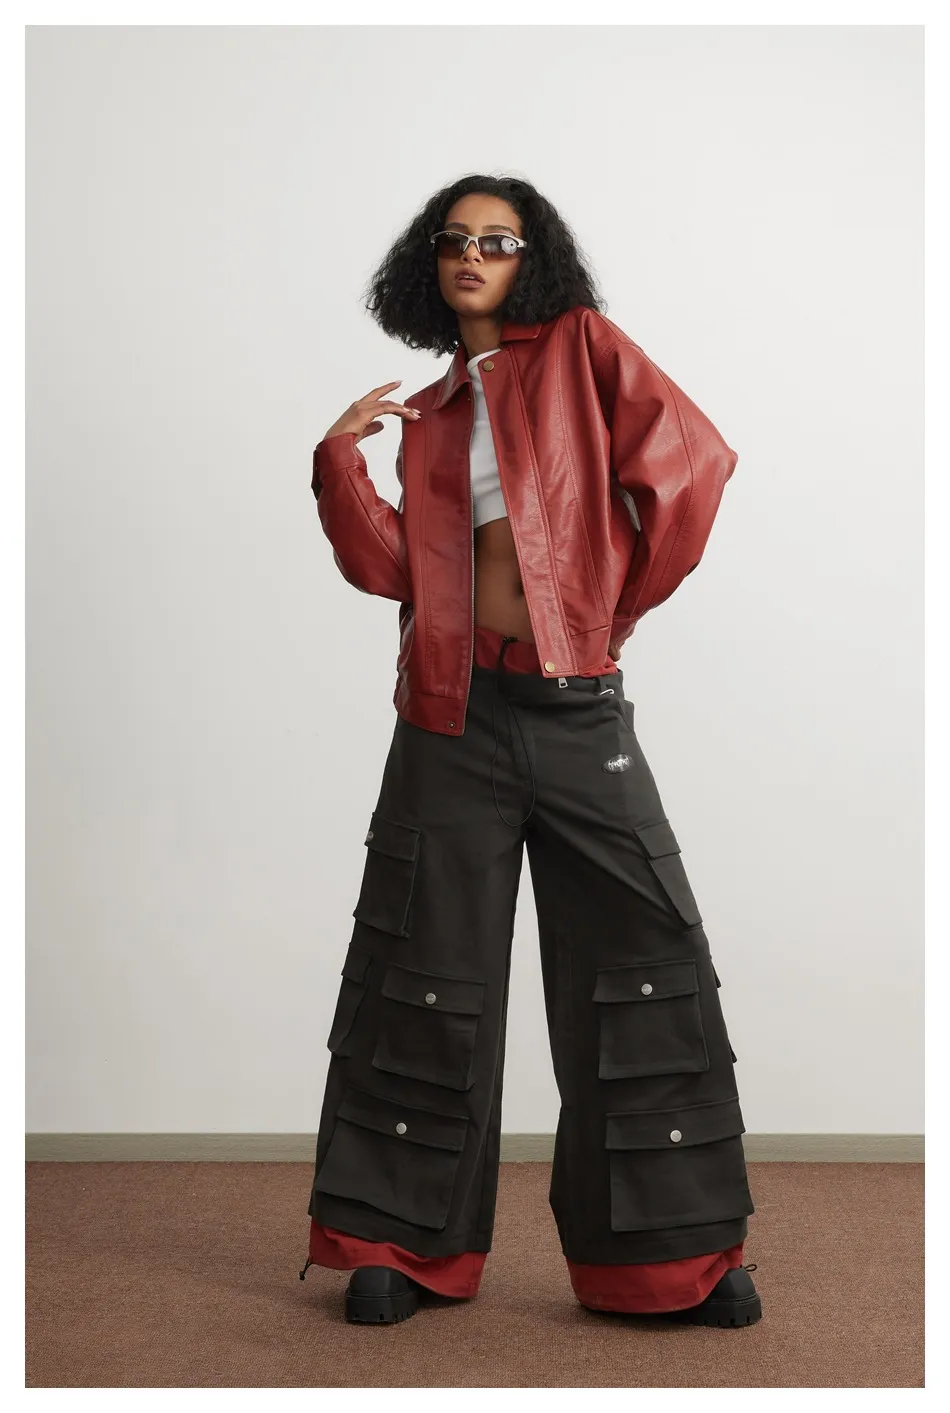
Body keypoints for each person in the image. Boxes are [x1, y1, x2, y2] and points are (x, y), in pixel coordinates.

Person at [298, 174, 761, 1329]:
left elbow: (693, 466)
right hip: (447, 718)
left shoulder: (581, 349)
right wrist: (338, 460)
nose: (473, 255)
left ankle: (666, 1261)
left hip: (574, 710)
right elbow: (392, 572)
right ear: (427, 263)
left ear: (530, 257)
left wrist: (608, 612)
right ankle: (396, 1248)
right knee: (423, 970)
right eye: (453, 240)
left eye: (497, 240)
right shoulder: (433, 407)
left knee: (640, 961)